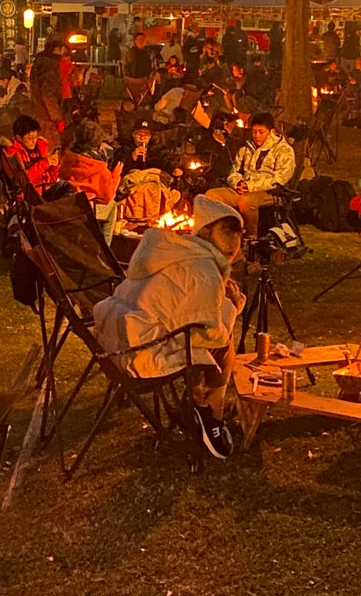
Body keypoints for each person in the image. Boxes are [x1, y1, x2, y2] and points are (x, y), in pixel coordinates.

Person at [92, 194, 246, 459]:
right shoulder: (204, 269)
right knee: (223, 338)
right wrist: (232, 306)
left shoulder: (169, 250)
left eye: (238, 235)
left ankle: (197, 401)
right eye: (227, 232)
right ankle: (212, 412)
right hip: (139, 354)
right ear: (206, 230)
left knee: (202, 330)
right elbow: (211, 336)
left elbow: (180, 311)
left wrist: (219, 298)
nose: (235, 243)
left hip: (113, 339)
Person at [207, 110, 296, 235]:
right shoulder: (246, 148)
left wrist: (251, 186)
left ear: (271, 132)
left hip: (270, 192)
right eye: (254, 132)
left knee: (246, 201)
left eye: (261, 132)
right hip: (243, 189)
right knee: (211, 196)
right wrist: (238, 183)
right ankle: (219, 234)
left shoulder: (284, 150)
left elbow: (281, 178)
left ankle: (250, 239)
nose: (257, 136)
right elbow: (235, 171)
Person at [4, 114, 59, 192]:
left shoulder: (41, 146)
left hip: (46, 188)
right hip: (31, 194)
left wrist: (54, 166)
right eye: (30, 138)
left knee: (67, 187)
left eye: (36, 137)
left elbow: (52, 178)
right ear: (18, 137)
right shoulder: (13, 153)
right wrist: (45, 163)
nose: (34, 141)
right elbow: (21, 181)